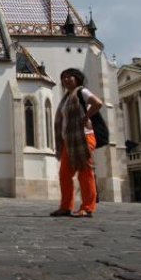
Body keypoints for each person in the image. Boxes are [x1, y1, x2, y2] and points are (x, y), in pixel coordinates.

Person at [51, 67, 102, 218]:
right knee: (64, 174)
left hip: (83, 137)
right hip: (70, 140)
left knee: (85, 173)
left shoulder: (81, 92)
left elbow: (98, 103)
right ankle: (66, 207)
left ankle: (87, 207)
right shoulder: (66, 97)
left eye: (70, 76)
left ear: (77, 78)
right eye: (64, 77)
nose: (66, 79)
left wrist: (86, 117)